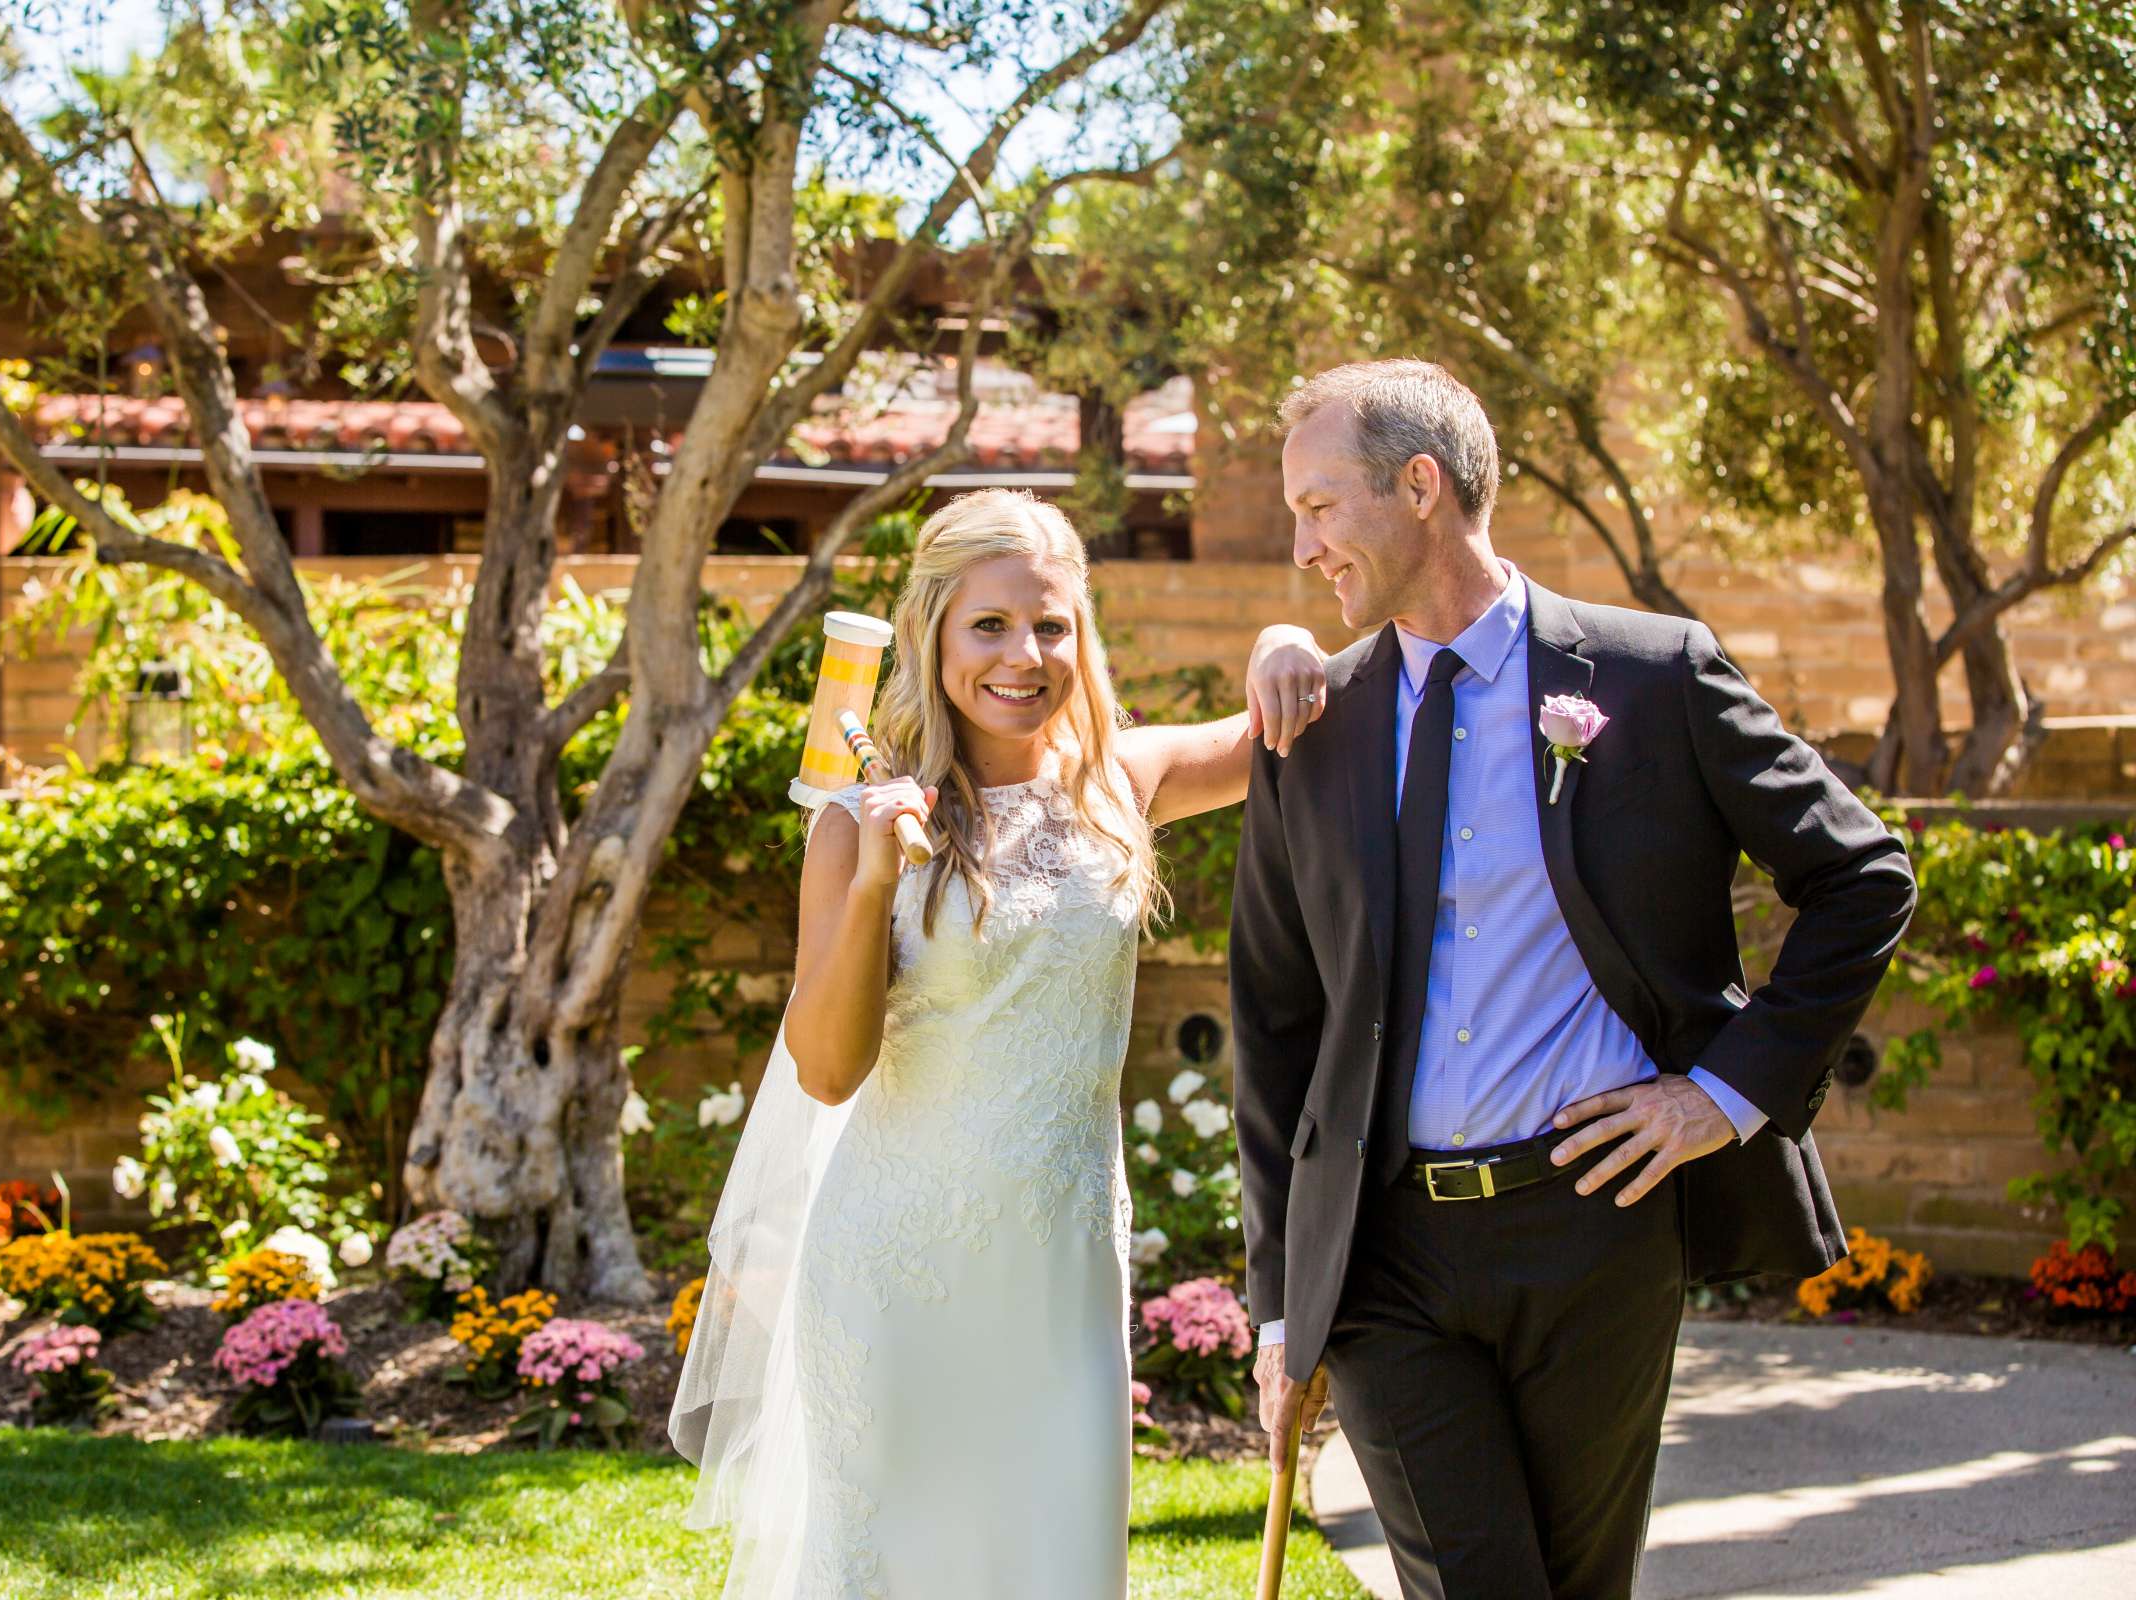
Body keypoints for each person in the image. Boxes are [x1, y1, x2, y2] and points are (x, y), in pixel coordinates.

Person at [1233, 359, 1918, 1598]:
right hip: (1382, 1250)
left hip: (1595, 1224)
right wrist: (1281, 1300)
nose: (1301, 546)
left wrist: (1722, 1091)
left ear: (1422, 487)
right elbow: (1279, 1023)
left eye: (1321, 506)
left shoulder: (1652, 678)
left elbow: (1864, 875)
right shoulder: (1313, 722)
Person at [671, 487, 1330, 1599]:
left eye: (1052, 624)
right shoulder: (855, 821)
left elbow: (1286, 718)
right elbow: (827, 1071)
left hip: (1060, 1276)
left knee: (1057, 1565)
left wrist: (1284, 635)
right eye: (989, 624)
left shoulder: (1126, 781)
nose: (1025, 654)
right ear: (932, 630)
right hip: (896, 1277)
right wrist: (881, 873)